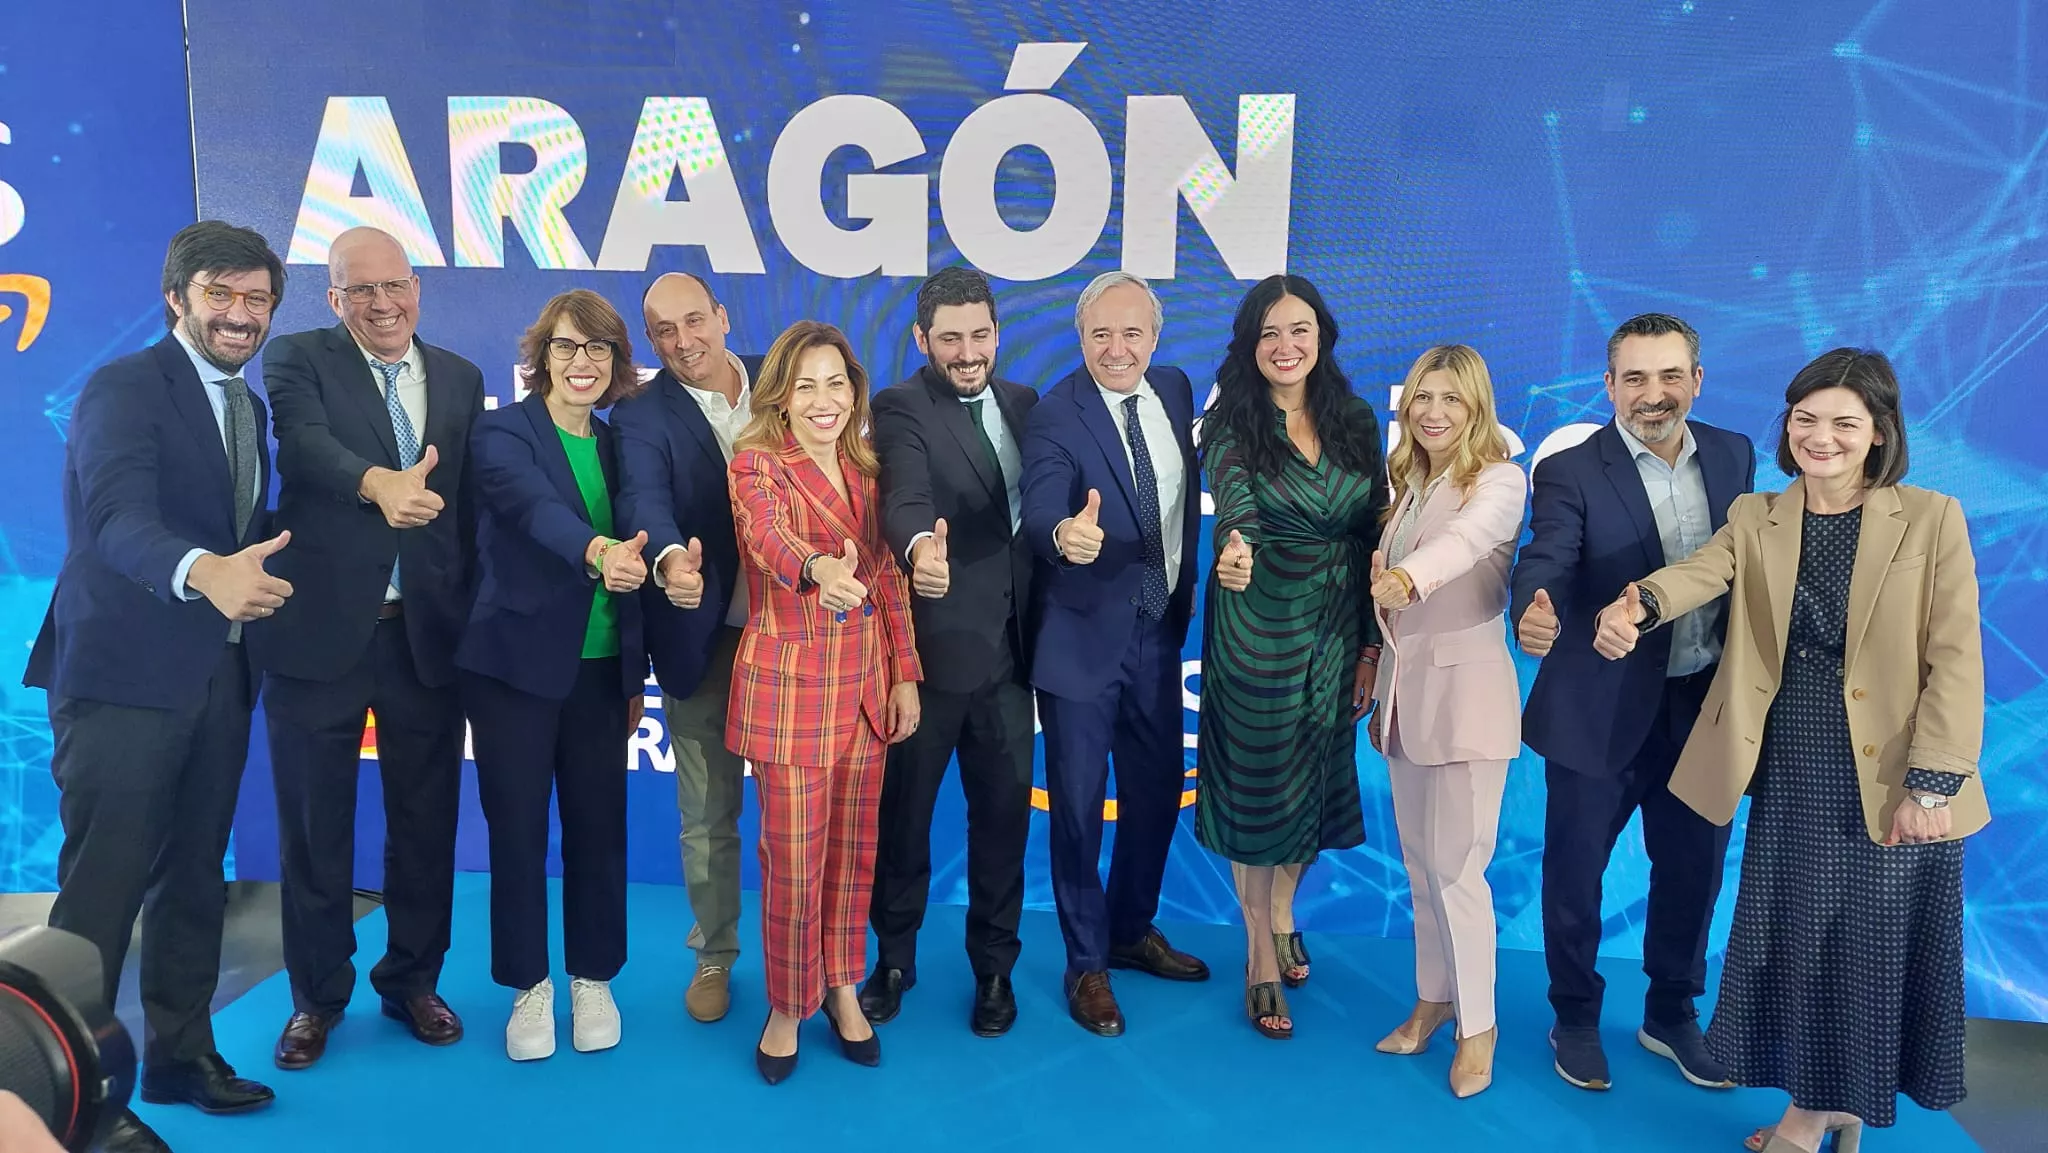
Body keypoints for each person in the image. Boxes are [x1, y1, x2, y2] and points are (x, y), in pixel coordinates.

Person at [1594, 348, 1984, 1153]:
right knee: (1805, 934)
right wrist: (1643, 601)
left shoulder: (1933, 515)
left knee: (1870, 937)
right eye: (1806, 418)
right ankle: (1835, 1106)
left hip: (1897, 776)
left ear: (1878, 433)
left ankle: (1811, 1119)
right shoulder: (1757, 516)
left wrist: (1934, 783)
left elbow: (1956, 656)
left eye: (1845, 422)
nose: (1822, 436)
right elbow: (1701, 572)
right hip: (1795, 763)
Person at [23, 221, 289, 1153]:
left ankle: (181, 1053)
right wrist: (204, 569)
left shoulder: (246, 408)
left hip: (218, 674)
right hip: (121, 678)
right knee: (101, 895)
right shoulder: (123, 385)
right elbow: (113, 517)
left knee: (194, 878)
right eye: (223, 294)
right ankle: (65, 1090)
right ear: (178, 295)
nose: (241, 314)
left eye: (257, 299)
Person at [252, 226, 483, 1069]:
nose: (382, 304)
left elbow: (462, 506)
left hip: (425, 639)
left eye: (395, 286)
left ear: (418, 286)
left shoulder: (458, 376)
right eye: (361, 291)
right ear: (334, 298)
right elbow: (304, 447)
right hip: (318, 633)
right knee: (316, 827)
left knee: (426, 818)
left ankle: (413, 979)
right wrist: (377, 482)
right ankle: (316, 995)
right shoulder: (298, 359)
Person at [1509, 312, 1755, 1092]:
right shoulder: (1572, 470)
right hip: (1597, 706)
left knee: (1693, 873)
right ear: (1609, 385)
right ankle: (1575, 1015)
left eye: (1671, 375)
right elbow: (1545, 555)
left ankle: (1672, 1014)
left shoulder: (1733, 453)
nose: (1655, 394)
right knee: (1575, 875)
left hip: (1703, 708)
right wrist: (1535, 605)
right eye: (1636, 377)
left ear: (1697, 381)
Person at [455, 289, 650, 1063]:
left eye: (598, 349)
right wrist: (599, 552)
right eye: (568, 347)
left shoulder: (619, 442)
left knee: (600, 831)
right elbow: (534, 508)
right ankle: (528, 985)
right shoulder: (503, 432)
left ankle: (592, 977)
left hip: (604, 669)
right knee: (518, 831)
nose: (583, 363)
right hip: (512, 670)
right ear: (541, 356)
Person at [725, 320, 922, 1084]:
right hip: (792, 694)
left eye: (835, 382)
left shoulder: (868, 469)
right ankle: (787, 1002)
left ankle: (842, 984)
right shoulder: (756, 464)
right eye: (806, 384)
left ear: (854, 391)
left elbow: (891, 579)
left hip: (866, 692)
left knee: (851, 857)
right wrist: (816, 570)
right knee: (794, 863)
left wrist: (905, 672)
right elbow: (769, 538)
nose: (823, 399)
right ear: (781, 392)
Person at [1194, 274, 1385, 1042]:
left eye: (1299, 330)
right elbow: (1235, 504)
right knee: (1258, 788)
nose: (1285, 346)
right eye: (1270, 333)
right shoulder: (1231, 422)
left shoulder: (1355, 418)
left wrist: (1371, 644)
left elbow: (1374, 532)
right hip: (1256, 625)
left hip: (1336, 626)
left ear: (1321, 337)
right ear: (1250, 342)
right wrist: (1232, 549)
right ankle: (1256, 955)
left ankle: (1281, 909)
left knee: (1312, 780)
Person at [1021, 271, 1210, 1039]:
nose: (1116, 348)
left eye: (1132, 332)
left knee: (1158, 790)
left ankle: (1132, 929)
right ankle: (1086, 961)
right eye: (1101, 333)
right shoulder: (1055, 412)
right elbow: (1041, 499)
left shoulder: (1173, 388)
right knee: (1076, 806)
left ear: (1155, 339)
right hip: (1080, 637)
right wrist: (1064, 535)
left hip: (1159, 632)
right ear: (1080, 336)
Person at [861, 266, 1039, 1037]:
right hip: (926, 662)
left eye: (979, 335)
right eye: (950, 338)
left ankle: (995, 970)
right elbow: (903, 494)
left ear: (997, 334)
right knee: (904, 821)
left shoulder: (1029, 406)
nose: (967, 352)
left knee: (1002, 823)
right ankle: (893, 958)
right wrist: (915, 550)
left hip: (1013, 662)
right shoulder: (901, 406)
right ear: (922, 339)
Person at [1365, 345, 1523, 1098]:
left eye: (1451, 400)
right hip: (1405, 706)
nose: (1432, 412)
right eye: (1422, 397)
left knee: (1461, 872)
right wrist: (1381, 690)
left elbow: (1461, 548)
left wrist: (1405, 576)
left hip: (1467, 706)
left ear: (1476, 408)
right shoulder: (1409, 486)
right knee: (1423, 871)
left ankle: (1479, 1027)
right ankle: (1433, 1000)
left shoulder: (1499, 480)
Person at [612, 271, 763, 1025]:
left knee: (808, 811)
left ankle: (821, 962)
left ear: (724, 318)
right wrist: (672, 559)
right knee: (707, 812)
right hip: (700, 636)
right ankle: (715, 952)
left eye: (694, 321)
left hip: (798, 643)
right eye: (664, 331)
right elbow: (642, 497)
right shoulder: (640, 414)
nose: (682, 342)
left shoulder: (785, 379)